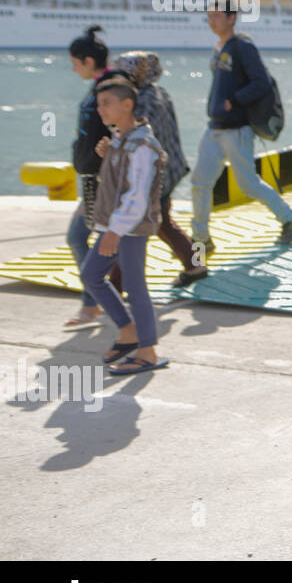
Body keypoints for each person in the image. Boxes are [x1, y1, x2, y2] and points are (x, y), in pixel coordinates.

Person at [190, 0, 292, 256]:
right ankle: (201, 239)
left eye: (217, 16)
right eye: (209, 16)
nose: (212, 21)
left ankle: (290, 219)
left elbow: (262, 83)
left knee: (248, 185)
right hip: (214, 128)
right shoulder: (218, 48)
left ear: (232, 18)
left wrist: (235, 101)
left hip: (237, 129)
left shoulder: (243, 46)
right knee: (200, 181)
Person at [82, 76, 170, 375]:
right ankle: (129, 331)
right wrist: (111, 152)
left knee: (134, 286)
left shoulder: (142, 145)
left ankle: (147, 351)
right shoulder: (124, 140)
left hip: (129, 228)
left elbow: (137, 195)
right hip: (115, 226)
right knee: (92, 275)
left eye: (107, 103)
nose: (101, 110)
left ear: (127, 104)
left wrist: (115, 230)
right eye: (98, 104)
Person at [113, 51, 206, 287]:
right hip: (169, 169)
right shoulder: (160, 93)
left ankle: (115, 285)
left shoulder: (141, 102)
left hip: (152, 175)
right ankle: (196, 266)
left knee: (127, 229)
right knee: (163, 222)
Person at [65, 26, 124, 329]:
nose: (74, 70)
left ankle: (95, 304)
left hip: (103, 182)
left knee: (78, 237)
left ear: (88, 61)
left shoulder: (109, 89)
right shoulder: (102, 86)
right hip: (93, 181)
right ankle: (97, 302)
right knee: (92, 240)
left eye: (75, 63)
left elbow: (123, 130)